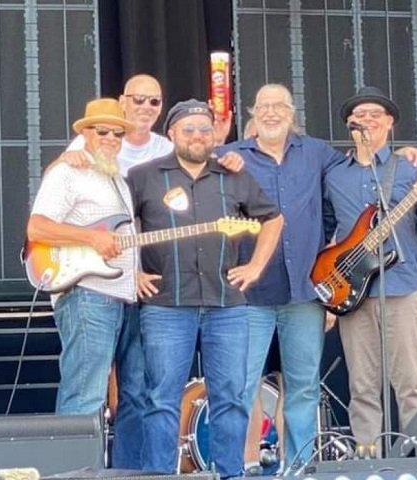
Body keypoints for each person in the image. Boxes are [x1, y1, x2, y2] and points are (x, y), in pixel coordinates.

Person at [217, 83, 417, 473]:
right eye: (263, 106)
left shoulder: (318, 154)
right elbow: (190, 166)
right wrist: (217, 145)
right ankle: (237, 468)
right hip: (250, 293)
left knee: (303, 389)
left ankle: (301, 469)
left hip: (305, 292)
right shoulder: (231, 156)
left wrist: (405, 155)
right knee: (240, 389)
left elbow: (372, 167)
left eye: (279, 106)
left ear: (292, 113)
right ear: (252, 114)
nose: (271, 113)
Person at [57, 74, 242, 469]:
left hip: (144, 295)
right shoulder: (81, 152)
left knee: (139, 393)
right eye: (137, 100)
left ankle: (131, 472)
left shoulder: (163, 150)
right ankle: (72, 472)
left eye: (154, 102)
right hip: (94, 288)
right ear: (122, 101)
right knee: (87, 391)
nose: (145, 108)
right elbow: (42, 219)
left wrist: (227, 151)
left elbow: (194, 176)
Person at [128, 99, 284, 478]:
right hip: (166, 305)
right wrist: (129, 273)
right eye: (188, 130)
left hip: (227, 305)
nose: (197, 136)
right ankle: (159, 476)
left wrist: (256, 265)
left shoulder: (234, 175)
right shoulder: (142, 176)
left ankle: (230, 474)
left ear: (215, 134)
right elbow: (119, 228)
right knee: (161, 399)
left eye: (204, 129)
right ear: (172, 135)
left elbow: (273, 219)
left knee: (230, 398)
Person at [322, 86, 417, 454]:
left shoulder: (409, 169)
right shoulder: (334, 174)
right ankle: (367, 458)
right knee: (362, 386)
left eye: (376, 114)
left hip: (402, 288)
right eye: (360, 115)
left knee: (409, 384)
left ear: (390, 123)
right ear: (349, 124)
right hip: (354, 293)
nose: (367, 120)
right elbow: (328, 231)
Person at [26, 98, 137, 417]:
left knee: (107, 394)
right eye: (103, 132)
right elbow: (37, 227)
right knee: (84, 394)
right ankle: (74, 468)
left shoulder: (115, 177)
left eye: (118, 134)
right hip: (86, 295)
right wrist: (92, 237)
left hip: (118, 297)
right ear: (85, 133)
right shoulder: (67, 171)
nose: (112, 140)